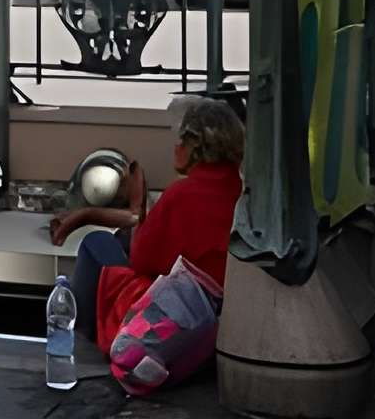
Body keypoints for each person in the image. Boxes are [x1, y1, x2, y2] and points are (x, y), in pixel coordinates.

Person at [47, 95, 246, 351]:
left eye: (181, 141)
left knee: (96, 242)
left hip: (175, 318)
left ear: (196, 147)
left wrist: (138, 208)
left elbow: (143, 261)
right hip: (215, 309)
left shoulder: (182, 194)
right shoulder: (239, 191)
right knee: (120, 240)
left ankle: (81, 342)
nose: (175, 148)